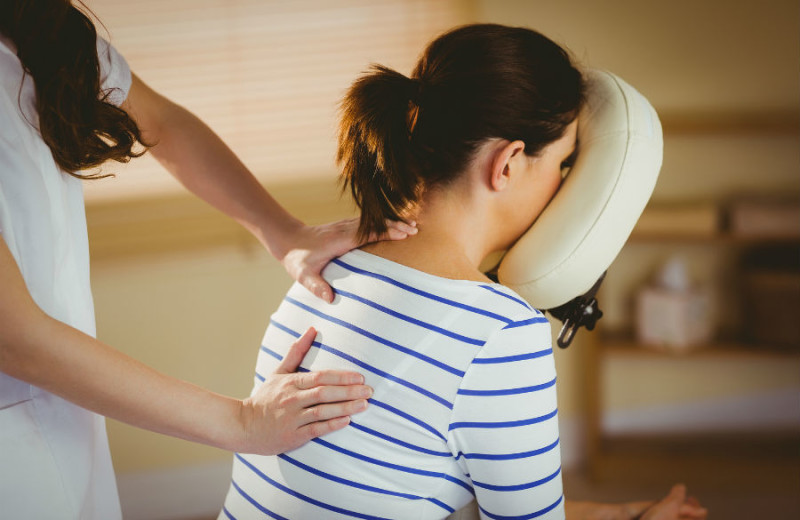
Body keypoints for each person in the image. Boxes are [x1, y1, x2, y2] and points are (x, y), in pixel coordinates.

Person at [219, 23, 708, 520]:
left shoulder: (327, 268)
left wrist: (619, 515)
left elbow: (398, 484)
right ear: (509, 164)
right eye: (562, 165)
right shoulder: (501, 331)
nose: (562, 187)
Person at [0, 1, 417, 518]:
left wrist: (283, 231)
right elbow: (13, 335)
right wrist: (242, 423)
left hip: (65, 426)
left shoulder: (40, 29)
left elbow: (163, 123)